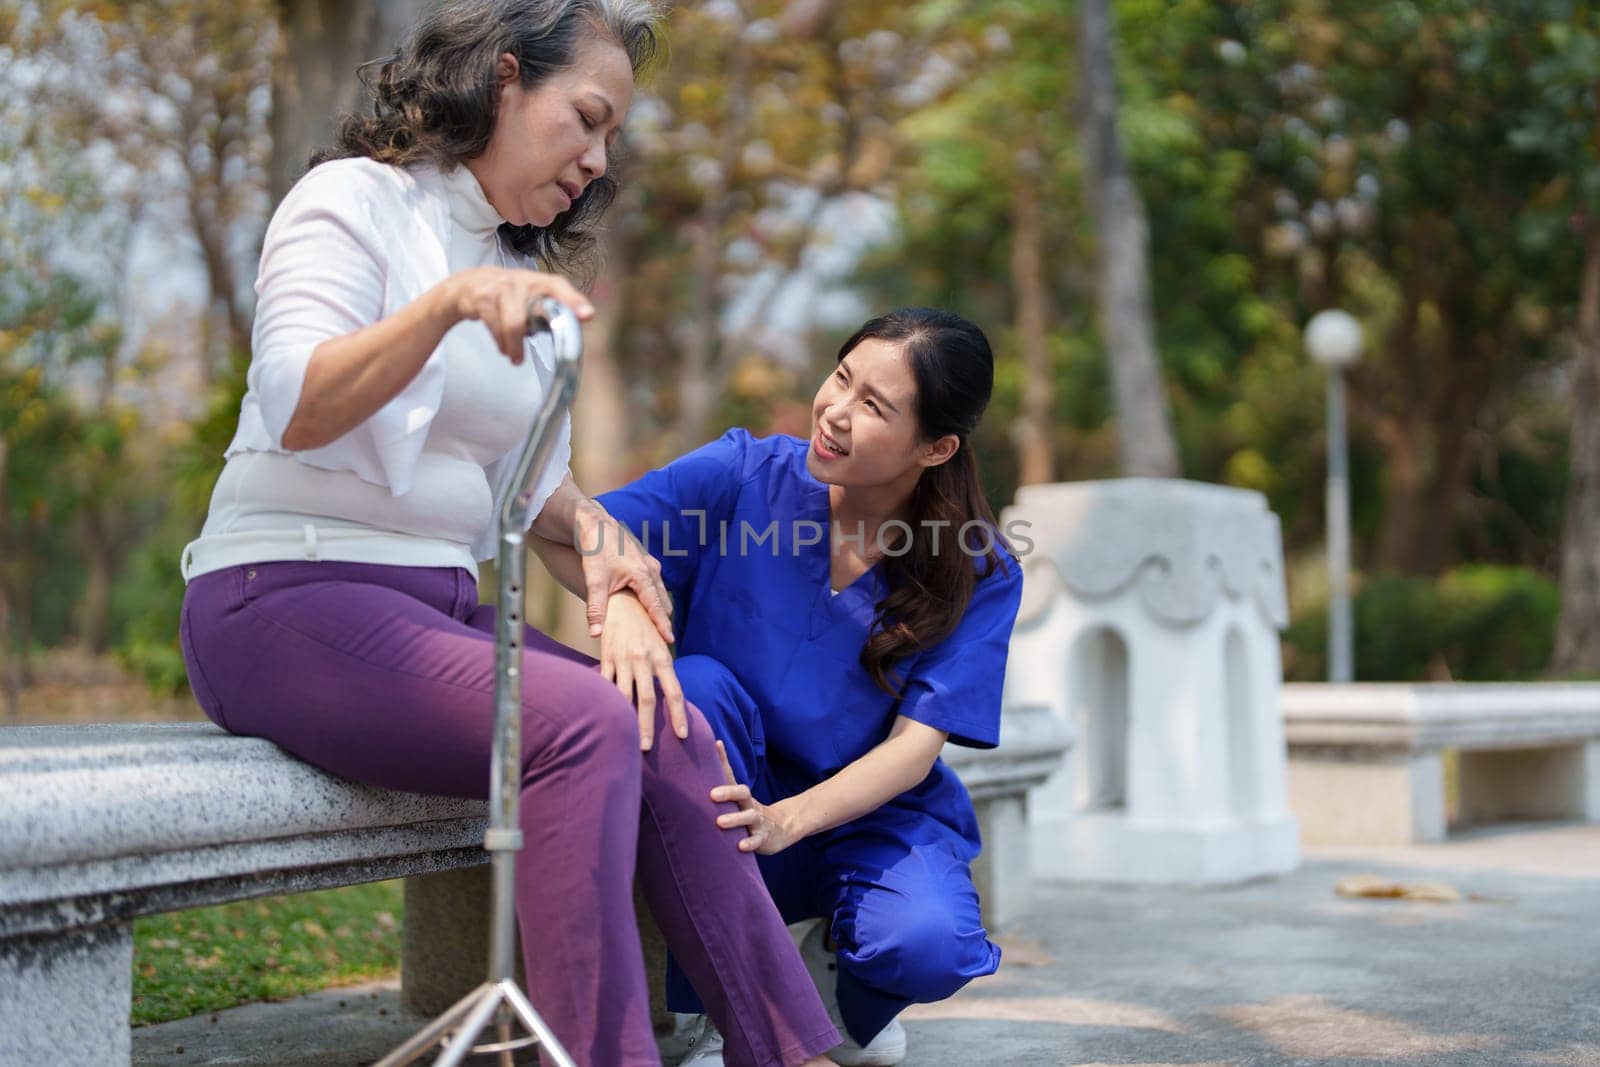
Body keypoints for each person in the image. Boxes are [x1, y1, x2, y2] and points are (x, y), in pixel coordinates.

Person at [176, 2, 840, 1064]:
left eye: (612, 135)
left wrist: (617, 586)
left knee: (661, 715)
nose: (597, 157)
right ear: (501, 79)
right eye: (584, 117)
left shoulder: (523, 271)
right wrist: (444, 308)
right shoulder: (352, 200)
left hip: (442, 613)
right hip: (281, 598)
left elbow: (542, 498)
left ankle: (789, 1051)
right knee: (577, 720)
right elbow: (298, 400)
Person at [594, 308, 1024, 1066]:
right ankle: (720, 1010)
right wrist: (626, 598)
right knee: (690, 686)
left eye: (874, 406)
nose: (835, 410)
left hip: (868, 815)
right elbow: (586, 525)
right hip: (727, 796)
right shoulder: (743, 475)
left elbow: (913, 750)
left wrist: (790, 820)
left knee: (925, 943)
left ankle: (837, 970)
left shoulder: (976, 566)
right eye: (841, 378)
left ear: (936, 447)